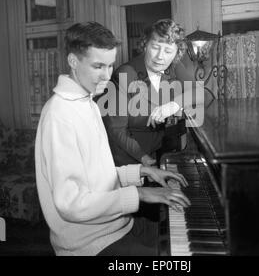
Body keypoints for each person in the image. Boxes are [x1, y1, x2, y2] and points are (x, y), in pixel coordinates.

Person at [34, 21, 191, 256]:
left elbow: (96, 176)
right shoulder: (60, 115)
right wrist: (140, 193)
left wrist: (142, 172)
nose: (107, 76)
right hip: (90, 244)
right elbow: (71, 204)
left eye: (110, 66)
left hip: (119, 225)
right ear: (73, 61)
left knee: (181, 242)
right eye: (98, 66)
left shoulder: (87, 103)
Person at [99, 19, 204, 168]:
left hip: (160, 151)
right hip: (130, 158)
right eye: (155, 47)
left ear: (176, 54)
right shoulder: (125, 74)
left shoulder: (174, 66)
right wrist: (145, 159)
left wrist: (173, 105)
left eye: (168, 51)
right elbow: (116, 130)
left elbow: (198, 92)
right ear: (145, 45)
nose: (160, 56)